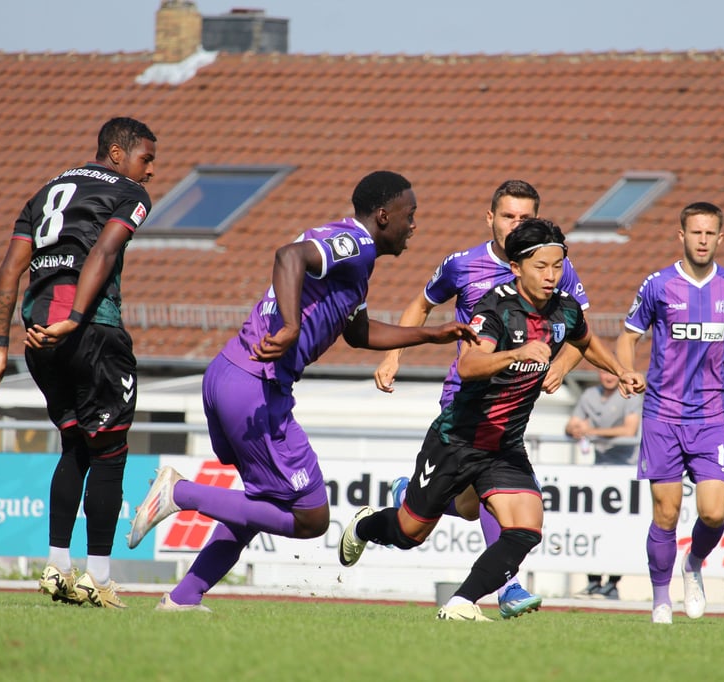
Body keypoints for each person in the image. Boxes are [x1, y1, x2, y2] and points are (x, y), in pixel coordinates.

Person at [125, 171, 477, 612]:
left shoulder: (357, 266)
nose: (414, 225)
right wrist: (292, 325)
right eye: (411, 215)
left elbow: (360, 332)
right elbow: (289, 256)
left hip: (230, 376)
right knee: (311, 518)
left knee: (262, 501)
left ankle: (184, 597)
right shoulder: (356, 242)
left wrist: (431, 335)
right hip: (257, 387)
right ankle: (180, 494)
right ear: (384, 215)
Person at [340, 218, 645, 621]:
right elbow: (468, 365)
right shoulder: (496, 308)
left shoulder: (565, 309)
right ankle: (366, 526)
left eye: (557, 266)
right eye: (541, 267)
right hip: (457, 440)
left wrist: (620, 369)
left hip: (504, 445)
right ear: (517, 267)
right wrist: (514, 354)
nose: (551, 276)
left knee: (527, 528)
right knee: (409, 533)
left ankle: (462, 602)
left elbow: (585, 340)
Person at [373, 179, 590, 617]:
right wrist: (393, 355)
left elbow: (579, 331)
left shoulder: (552, 266)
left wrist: (563, 368)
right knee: (428, 523)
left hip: (512, 410)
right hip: (464, 403)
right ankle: (505, 587)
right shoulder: (462, 265)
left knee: (474, 508)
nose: (516, 225)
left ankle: (474, 589)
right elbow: (421, 307)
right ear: (490, 218)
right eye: (508, 216)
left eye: (524, 218)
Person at [0, 117, 158, 608]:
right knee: (110, 452)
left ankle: (57, 567)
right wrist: (78, 317)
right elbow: (104, 248)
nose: (150, 172)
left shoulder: (45, 191)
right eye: (147, 159)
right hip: (91, 331)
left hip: (38, 335)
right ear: (118, 154)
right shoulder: (128, 191)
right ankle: (97, 578)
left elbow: (11, 266)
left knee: (74, 444)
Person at [616, 201, 724, 624]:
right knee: (667, 512)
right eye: (695, 233)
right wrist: (627, 371)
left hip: (712, 415)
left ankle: (692, 564)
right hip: (662, 413)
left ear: (720, 238)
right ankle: (661, 599)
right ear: (681, 236)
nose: (702, 240)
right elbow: (628, 337)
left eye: (709, 233)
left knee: (714, 512)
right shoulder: (658, 285)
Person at [565, 368, 641, 600]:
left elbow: (630, 430)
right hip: (600, 470)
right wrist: (575, 429)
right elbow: (571, 426)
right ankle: (594, 582)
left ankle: (613, 584)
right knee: (593, 525)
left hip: (627, 471)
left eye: (612, 372)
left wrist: (591, 431)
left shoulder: (631, 395)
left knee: (621, 529)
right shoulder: (589, 396)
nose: (608, 376)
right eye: (603, 371)